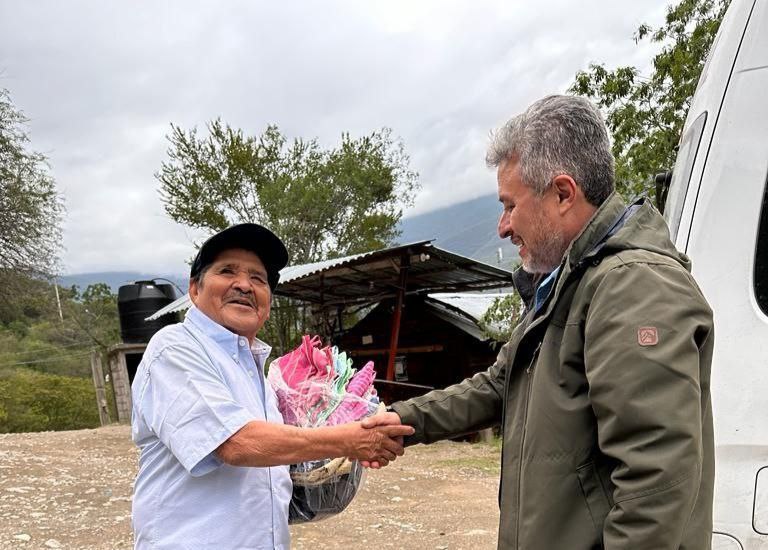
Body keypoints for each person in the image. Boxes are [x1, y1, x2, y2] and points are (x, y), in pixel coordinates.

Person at [363, 95, 714, 549]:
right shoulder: (568, 282)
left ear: (563, 194)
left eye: (509, 205)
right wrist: (397, 420)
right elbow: (497, 385)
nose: (502, 227)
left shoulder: (631, 286)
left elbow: (656, 484)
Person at [131, 223, 414, 550]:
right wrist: (348, 440)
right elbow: (235, 443)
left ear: (268, 300)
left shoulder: (258, 373)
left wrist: (326, 468)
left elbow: (271, 466)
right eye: (227, 271)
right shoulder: (175, 349)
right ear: (194, 289)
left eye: (258, 278)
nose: (244, 285)